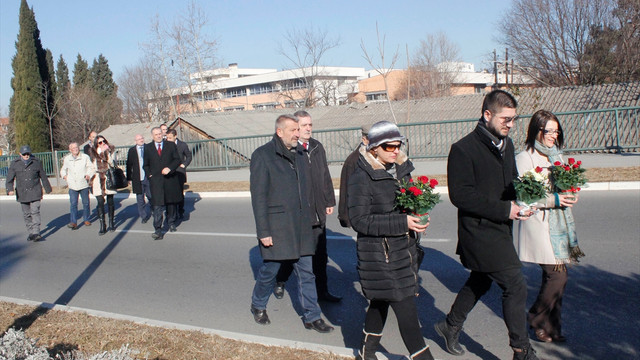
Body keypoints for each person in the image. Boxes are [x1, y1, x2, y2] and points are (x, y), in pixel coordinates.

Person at [434, 90, 538, 360]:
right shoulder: (463, 149)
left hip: (501, 228)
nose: (510, 124)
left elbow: (510, 181)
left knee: (480, 280)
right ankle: (521, 350)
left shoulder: (508, 144)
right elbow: (461, 195)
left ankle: (450, 325)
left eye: (514, 119)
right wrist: (506, 209)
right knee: (515, 285)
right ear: (487, 114)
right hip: (478, 231)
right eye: (505, 119)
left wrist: (526, 197)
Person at [347, 121, 434, 360]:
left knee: (380, 302)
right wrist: (402, 223)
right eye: (389, 147)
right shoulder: (361, 177)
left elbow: (405, 205)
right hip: (381, 256)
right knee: (408, 314)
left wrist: (415, 219)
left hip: (402, 251)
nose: (395, 150)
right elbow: (359, 220)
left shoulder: (398, 169)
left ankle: (367, 351)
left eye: (398, 145)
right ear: (374, 148)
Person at [249, 114, 333, 333]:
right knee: (270, 271)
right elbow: (258, 198)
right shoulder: (263, 156)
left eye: (299, 129)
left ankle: (312, 317)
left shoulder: (300, 154)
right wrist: (264, 232)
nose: (298, 133)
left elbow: (308, 188)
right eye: (293, 130)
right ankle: (258, 304)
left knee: (307, 273)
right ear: (280, 132)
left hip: (301, 226)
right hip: (277, 228)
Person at [515, 109, 583, 343]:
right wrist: (554, 199)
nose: (554, 135)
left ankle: (550, 328)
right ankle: (535, 317)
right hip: (539, 223)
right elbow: (524, 196)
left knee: (558, 275)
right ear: (537, 130)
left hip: (559, 223)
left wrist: (570, 193)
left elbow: (563, 185)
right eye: (549, 131)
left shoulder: (557, 156)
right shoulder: (525, 157)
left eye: (556, 130)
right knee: (557, 276)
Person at [273, 110, 341, 303]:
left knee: (320, 255)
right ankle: (280, 279)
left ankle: (323, 292)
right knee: (295, 253)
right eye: (304, 125)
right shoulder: (292, 150)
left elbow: (325, 175)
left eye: (310, 125)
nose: (308, 129)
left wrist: (329, 200)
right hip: (300, 212)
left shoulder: (317, 147)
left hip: (318, 209)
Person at [5, 145, 52, 242]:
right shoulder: (15, 164)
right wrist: (9, 189)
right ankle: (31, 232)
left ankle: (36, 232)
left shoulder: (36, 162)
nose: (26, 156)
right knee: (27, 214)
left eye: (28, 154)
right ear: (20, 154)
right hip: (22, 192)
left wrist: (48, 188)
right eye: (24, 154)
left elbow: (43, 176)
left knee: (35, 211)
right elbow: (9, 178)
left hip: (35, 191)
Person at [143, 126, 182, 240]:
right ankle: (158, 229)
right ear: (152, 136)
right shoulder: (148, 148)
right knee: (157, 206)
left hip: (170, 179)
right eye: (156, 134)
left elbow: (177, 160)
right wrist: (149, 175)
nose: (159, 136)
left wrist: (170, 168)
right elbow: (145, 165)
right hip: (156, 181)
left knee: (171, 203)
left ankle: (171, 222)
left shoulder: (170, 145)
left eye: (160, 134)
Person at [338, 124, 370, 228]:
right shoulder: (353, 161)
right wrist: (345, 216)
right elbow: (346, 189)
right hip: (363, 215)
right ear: (364, 140)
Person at [60, 142, 95, 230]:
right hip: (72, 185)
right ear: (70, 150)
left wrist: (88, 175)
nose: (75, 149)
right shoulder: (67, 159)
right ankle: (73, 222)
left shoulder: (85, 157)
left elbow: (91, 168)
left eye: (77, 147)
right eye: (73, 148)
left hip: (83, 183)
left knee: (86, 203)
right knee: (73, 204)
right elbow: (63, 169)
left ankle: (86, 219)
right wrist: (65, 176)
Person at [89, 135, 118, 235]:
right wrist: (90, 178)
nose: (103, 144)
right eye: (100, 142)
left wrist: (107, 153)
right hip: (98, 178)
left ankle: (111, 223)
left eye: (104, 141)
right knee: (100, 202)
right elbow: (92, 167)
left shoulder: (111, 150)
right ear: (96, 143)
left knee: (110, 201)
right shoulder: (93, 153)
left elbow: (113, 164)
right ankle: (102, 224)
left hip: (108, 177)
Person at [165, 129, 192, 219]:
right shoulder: (165, 144)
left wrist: (184, 165)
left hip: (179, 171)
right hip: (169, 172)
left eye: (170, 138)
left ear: (175, 136)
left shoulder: (182, 145)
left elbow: (189, 156)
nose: (168, 139)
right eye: (167, 137)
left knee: (179, 193)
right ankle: (172, 213)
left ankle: (180, 210)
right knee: (170, 193)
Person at [126, 134, 152, 223]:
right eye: (139, 139)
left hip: (147, 177)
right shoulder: (132, 150)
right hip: (137, 178)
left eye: (142, 138)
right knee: (140, 198)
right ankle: (143, 216)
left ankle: (154, 210)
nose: (141, 140)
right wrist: (129, 178)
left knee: (150, 196)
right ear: (135, 141)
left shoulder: (148, 148)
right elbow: (129, 164)